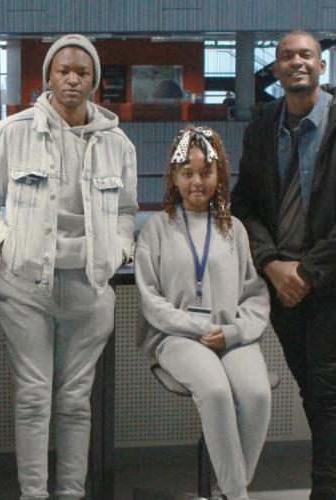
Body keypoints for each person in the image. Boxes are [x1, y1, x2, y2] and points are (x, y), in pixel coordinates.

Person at [0, 34, 137, 499]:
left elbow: (127, 211)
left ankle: (70, 494)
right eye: (63, 70)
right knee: (33, 398)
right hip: (26, 286)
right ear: (48, 76)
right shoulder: (12, 131)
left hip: (90, 286)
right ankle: (34, 495)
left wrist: (119, 249)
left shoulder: (117, 144)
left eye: (82, 73)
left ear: (95, 82)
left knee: (75, 402)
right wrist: (7, 241)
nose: (72, 79)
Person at [135, 126, 271, 500]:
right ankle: (236, 494)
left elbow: (255, 296)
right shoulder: (156, 230)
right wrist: (195, 326)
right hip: (177, 337)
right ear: (174, 178)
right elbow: (151, 299)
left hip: (230, 335)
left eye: (206, 173)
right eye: (188, 173)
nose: (197, 182)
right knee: (215, 391)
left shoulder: (235, 230)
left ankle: (226, 488)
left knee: (257, 395)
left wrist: (234, 333)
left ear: (219, 176)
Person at [230, 30, 336, 500]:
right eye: (287, 56)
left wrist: (308, 273)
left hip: (327, 282)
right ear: (275, 70)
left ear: (321, 66)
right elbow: (244, 204)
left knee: (326, 389)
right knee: (313, 389)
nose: (297, 62)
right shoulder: (262, 124)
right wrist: (272, 265)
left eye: (306, 55)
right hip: (282, 286)